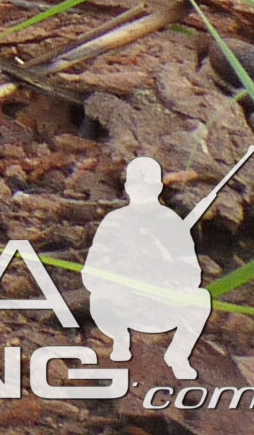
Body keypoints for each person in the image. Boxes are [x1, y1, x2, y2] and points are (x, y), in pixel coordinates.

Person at [84, 155, 212, 378]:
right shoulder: (115, 221)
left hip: (161, 304)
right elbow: (91, 273)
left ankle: (178, 355)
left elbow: (193, 275)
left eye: (149, 184)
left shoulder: (171, 223)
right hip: (123, 304)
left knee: (201, 298)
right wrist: (124, 271)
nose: (142, 189)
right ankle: (121, 343)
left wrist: (165, 270)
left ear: (158, 187)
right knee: (101, 296)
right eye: (136, 183)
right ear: (128, 187)